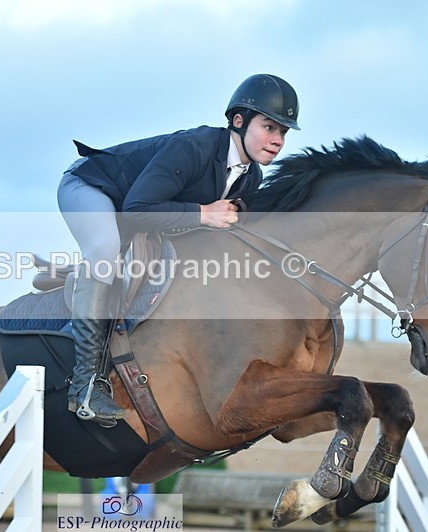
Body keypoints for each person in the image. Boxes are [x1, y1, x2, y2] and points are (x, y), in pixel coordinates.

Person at [57, 74, 300, 423]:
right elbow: (137, 209)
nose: (277, 140)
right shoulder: (193, 148)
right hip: (91, 186)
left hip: (136, 211)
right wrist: (203, 213)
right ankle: (84, 386)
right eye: (269, 127)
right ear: (238, 120)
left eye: (283, 132)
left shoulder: (251, 177)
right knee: (105, 251)